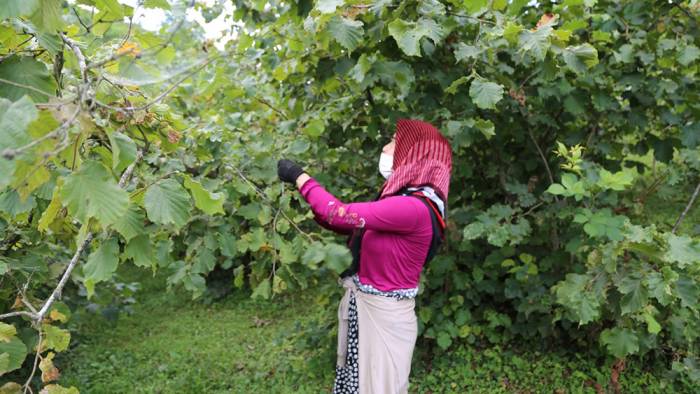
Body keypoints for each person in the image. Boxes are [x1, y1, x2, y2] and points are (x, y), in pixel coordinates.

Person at [277, 118, 453, 393]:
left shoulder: (413, 208)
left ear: (413, 153)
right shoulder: (404, 201)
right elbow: (339, 220)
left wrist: (300, 177)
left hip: (382, 319)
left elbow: (336, 212)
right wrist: (313, 200)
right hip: (370, 312)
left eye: (395, 141)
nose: (386, 147)